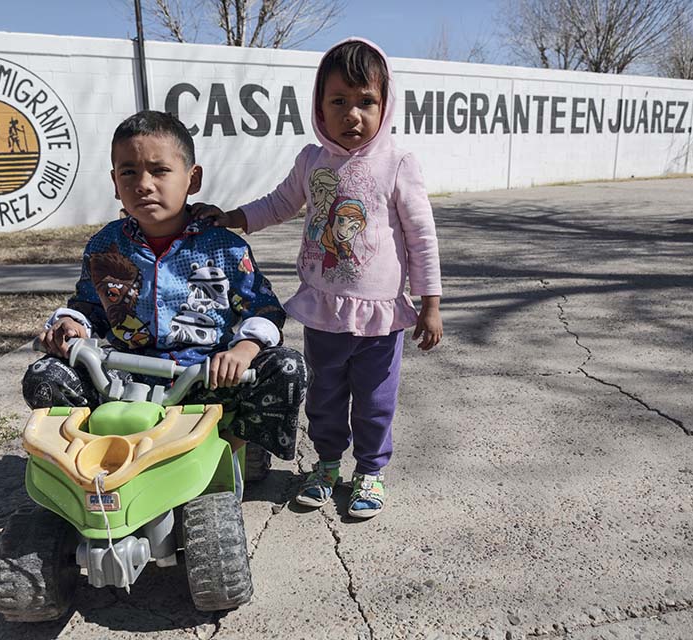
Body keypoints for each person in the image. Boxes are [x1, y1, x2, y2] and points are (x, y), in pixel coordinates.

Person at [193, 39, 442, 518]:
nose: (353, 114)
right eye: (339, 101)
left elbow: (422, 236)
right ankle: (326, 465)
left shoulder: (397, 163)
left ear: (385, 105)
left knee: (374, 401)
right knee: (324, 396)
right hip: (324, 310)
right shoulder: (311, 160)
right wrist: (234, 217)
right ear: (319, 108)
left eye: (366, 101)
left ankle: (369, 471)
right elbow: (280, 203)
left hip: (380, 317)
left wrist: (429, 301)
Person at [22, 110, 306, 491]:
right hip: (120, 380)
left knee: (286, 368)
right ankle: (93, 459)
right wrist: (72, 323)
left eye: (159, 171)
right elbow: (90, 304)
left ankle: (238, 444)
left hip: (204, 377)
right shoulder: (105, 245)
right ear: (114, 182)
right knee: (43, 377)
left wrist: (244, 349)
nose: (143, 184)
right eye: (128, 172)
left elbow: (265, 308)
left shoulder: (224, 246)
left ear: (193, 179)